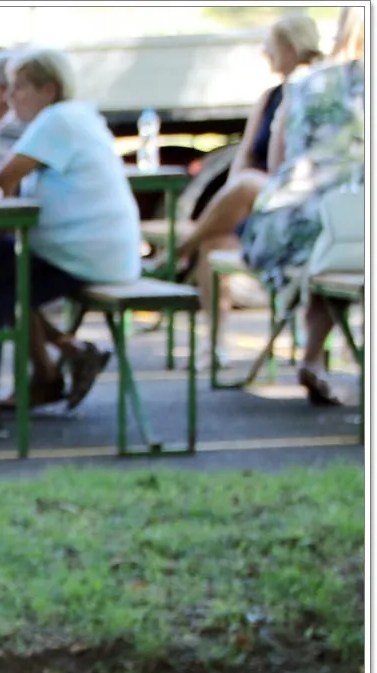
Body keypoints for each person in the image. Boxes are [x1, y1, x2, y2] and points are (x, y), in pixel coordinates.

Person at [0, 47, 141, 431]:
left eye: (19, 88)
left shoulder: (57, 120)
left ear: (49, 89)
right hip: (84, 251)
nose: (10, 97)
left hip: (79, 255)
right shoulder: (70, 117)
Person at [154, 13, 324, 314]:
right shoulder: (269, 97)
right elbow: (245, 153)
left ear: (289, 49)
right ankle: (214, 350)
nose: (264, 54)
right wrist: (229, 198)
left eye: (270, 46)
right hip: (260, 198)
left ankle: (179, 251)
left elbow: (278, 166)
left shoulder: (314, 90)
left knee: (247, 183)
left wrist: (244, 188)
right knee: (214, 243)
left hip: (295, 199)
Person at [239, 7, 364, 406]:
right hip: (348, 230)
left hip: (283, 228)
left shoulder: (303, 84)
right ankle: (315, 358)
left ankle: (312, 357)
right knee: (340, 250)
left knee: (328, 255)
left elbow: (276, 166)